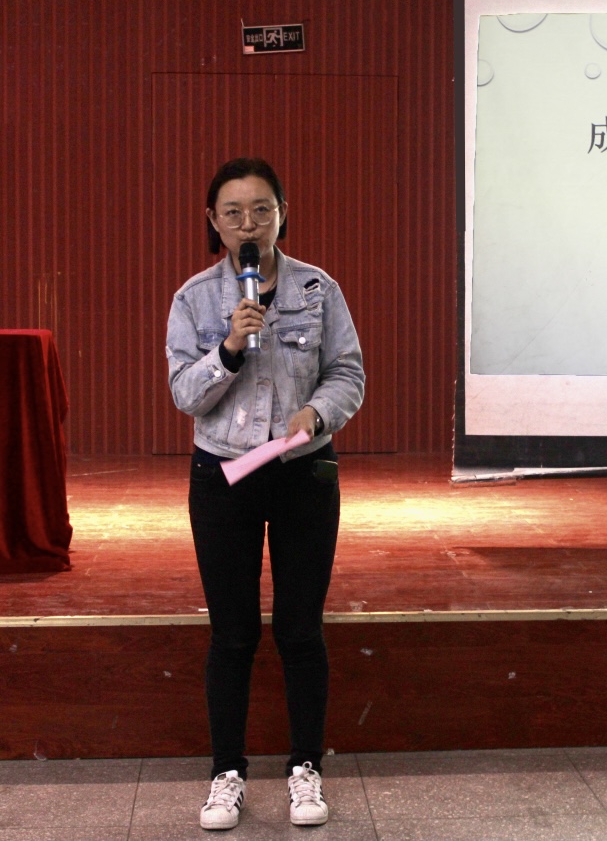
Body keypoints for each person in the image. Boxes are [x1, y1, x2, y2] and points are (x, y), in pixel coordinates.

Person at [166, 158, 365, 830]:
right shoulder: (195, 299)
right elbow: (184, 393)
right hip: (224, 476)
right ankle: (227, 773)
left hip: (304, 470)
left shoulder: (318, 289)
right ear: (213, 221)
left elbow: (347, 372)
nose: (247, 224)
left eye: (261, 209)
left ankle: (306, 767)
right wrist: (228, 345)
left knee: (300, 629)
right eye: (233, 212)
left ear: (283, 212)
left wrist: (319, 413)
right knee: (232, 633)